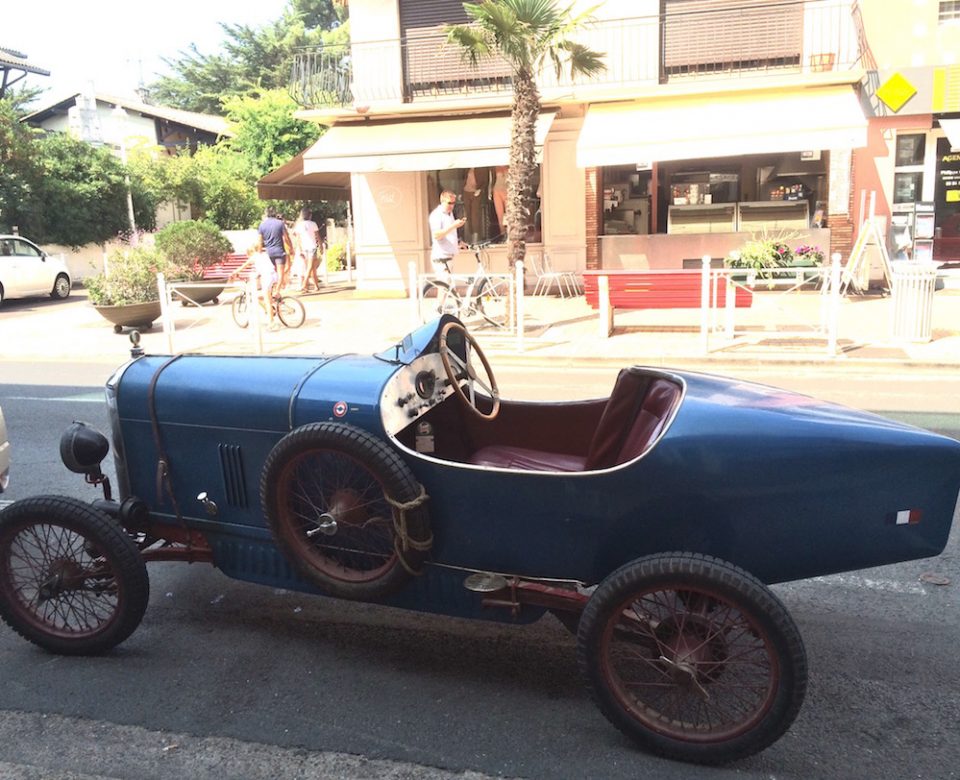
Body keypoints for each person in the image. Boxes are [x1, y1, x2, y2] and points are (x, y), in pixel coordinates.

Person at [230, 241, 279, 330]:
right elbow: (262, 269)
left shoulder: (254, 257)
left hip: (267, 277)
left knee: (267, 300)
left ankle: (271, 323)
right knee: (259, 296)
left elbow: (242, 267)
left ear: (251, 252)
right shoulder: (264, 255)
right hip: (274, 275)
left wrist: (234, 273)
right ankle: (272, 309)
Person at [429, 190, 467, 275]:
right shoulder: (437, 215)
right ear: (442, 201)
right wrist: (453, 225)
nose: (452, 206)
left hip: (449, 256)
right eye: (449, 203)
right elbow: (436, 235)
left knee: (449, 286)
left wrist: (458, 242)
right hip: (441, 257)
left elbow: (449, 234)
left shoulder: (450, 214)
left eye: (453, 203)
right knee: (444, 286)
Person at [257, 206, 293, 292]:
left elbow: (259, 241)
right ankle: (277, 291)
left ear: (266, 213)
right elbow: (286, 238)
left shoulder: (262, 225)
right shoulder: (280, 223)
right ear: (275, 213)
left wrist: (259, 252)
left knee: (271, 273)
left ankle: (271, 290)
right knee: (280, 272)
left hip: (269, 252)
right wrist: (291, 248)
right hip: (280, 251)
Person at [294, 207, 322, 293]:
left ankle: (316, 286)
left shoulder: (299, 225)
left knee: (310, 267)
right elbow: (318, 236)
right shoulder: (313, 224)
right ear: (310, 215)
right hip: (312, 247)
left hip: (304, 248)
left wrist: (299, 249)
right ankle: (305, 284)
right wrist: (320, 246)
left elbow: (297, 239)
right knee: (310, 267)